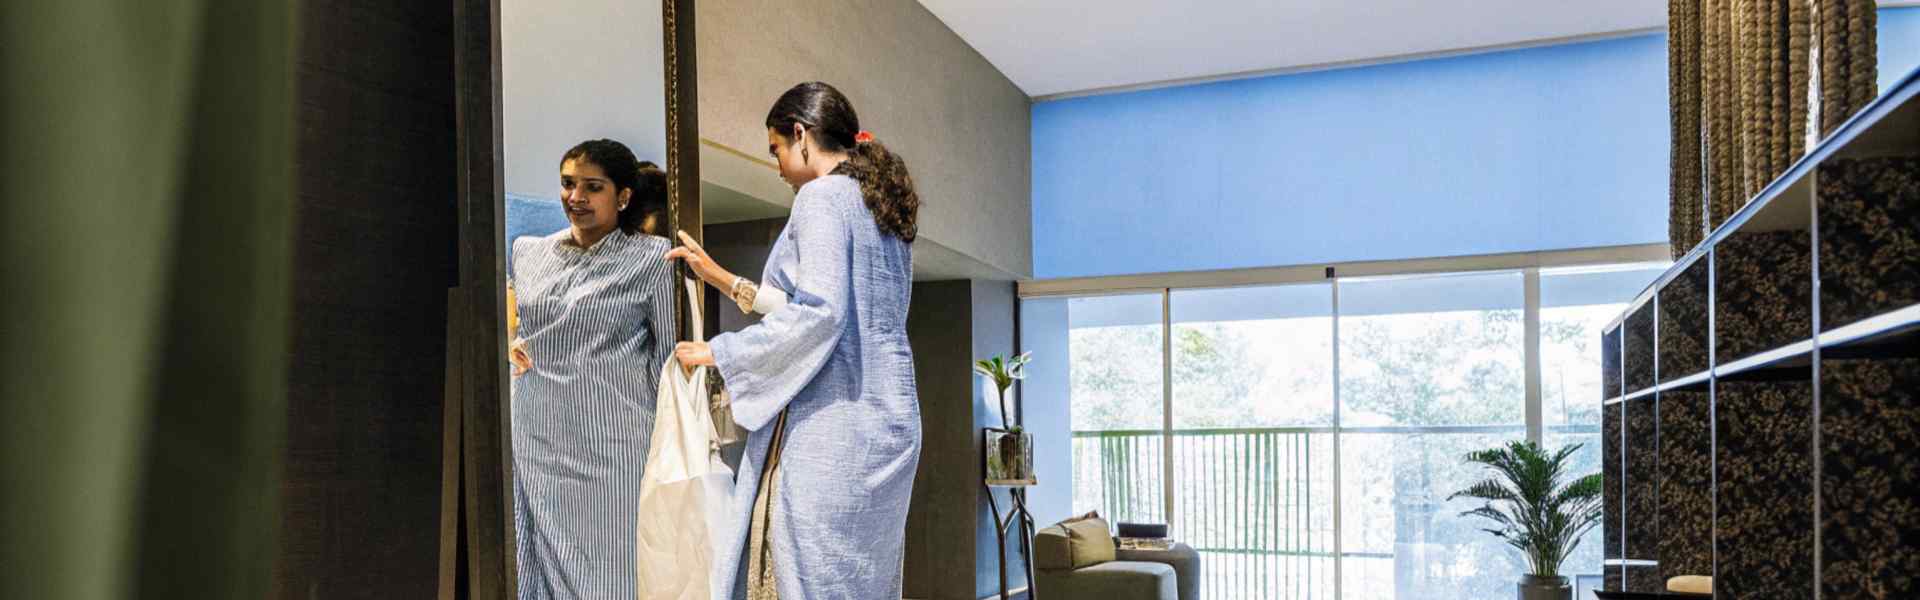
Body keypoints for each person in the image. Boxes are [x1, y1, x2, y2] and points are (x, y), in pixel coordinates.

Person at [666, 81, 922, 600]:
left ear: (801, 135)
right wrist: (722, 279)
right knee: (860, 581)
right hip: (888, 421)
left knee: (803, 575)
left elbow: (821, 314)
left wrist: (721, 351)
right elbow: (827, 307)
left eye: (777, 148)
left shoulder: (822, 197)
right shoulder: (879, 205)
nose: (777, 164)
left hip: (835, 422)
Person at [509, 139, 675, 600]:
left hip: (614, 444)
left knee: (611, 568)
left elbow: (667, 358)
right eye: (567, 184)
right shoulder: (527, 252)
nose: (575, 198)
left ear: (622, 197)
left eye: (591, 187)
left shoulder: (652, 259)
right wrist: (510, 345)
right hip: (536, 433)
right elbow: (513, 324)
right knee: (532, 563)